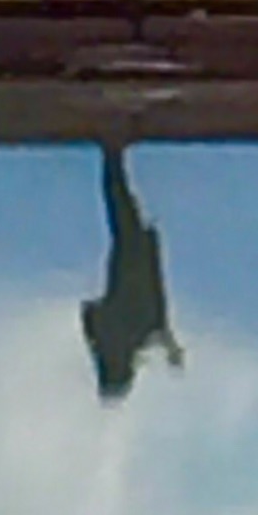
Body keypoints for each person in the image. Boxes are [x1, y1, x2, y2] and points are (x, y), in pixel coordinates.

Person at [81, 145, 184, 401]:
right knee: (122, 208)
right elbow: (90, 311)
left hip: (134, 263)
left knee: (122, 209)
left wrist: (169, 349)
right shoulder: (118, 341)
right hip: (132, 262)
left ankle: (113, 154)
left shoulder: (126, 340)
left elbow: (91, 311)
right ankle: (113, 155)